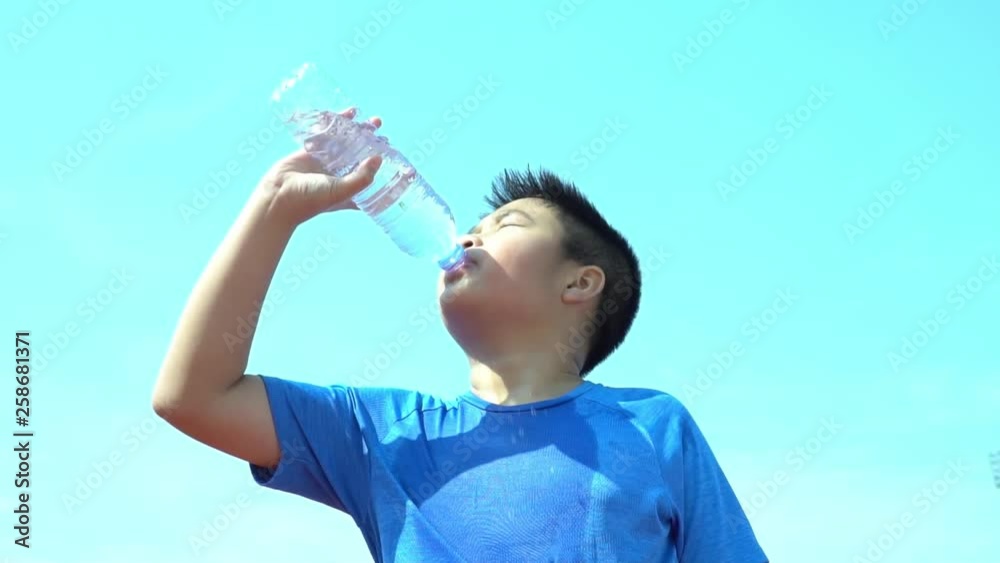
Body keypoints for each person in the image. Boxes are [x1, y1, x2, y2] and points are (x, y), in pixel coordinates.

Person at [152, 108, 768, 562]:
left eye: (507, 224)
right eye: (470, 226)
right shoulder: (382, 434)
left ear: (580, 284)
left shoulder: (652, 425)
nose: (470, 237)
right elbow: (195, 396)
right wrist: (274, 206)